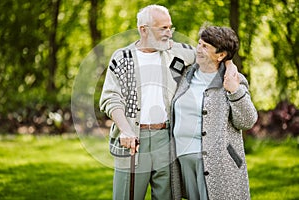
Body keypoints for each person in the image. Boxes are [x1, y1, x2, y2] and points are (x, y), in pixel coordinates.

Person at [100, 5, 238, 199]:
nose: (169, 33)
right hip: (132, 140)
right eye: (162, 28)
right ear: (144, 29)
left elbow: (213, 55)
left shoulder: (178, 52)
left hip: (166, 139)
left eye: (170, 27)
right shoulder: (123, 58)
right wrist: (125, 129)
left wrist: (229, 63)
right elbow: (111, 98)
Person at [170, 25, 258, 200]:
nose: (198, 49)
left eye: (205, 46)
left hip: (217, 162)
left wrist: (234, 91)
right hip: (183, 158)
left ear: (221, 55)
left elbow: (248, 120)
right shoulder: (184, 73)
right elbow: (168, 51)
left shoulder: (233, 79)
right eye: (199, 43)